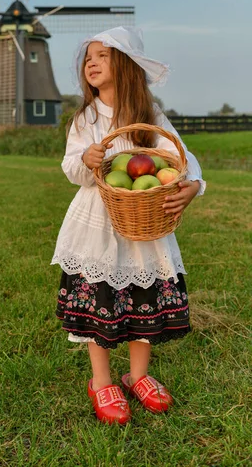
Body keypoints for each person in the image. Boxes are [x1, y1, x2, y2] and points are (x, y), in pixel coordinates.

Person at [51, 26, 206, 425]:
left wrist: (193, 187)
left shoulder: (150, 117)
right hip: (98, 224)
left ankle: (137, 375)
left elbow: (181, 157)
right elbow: (71, 168)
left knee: (143, 297)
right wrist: (87, 159)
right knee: (98, 299)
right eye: (89, 57)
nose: (92, 62)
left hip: (144, 226)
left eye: (103, 55)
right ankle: (101, 380)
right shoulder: (86, 118)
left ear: (126, 65)